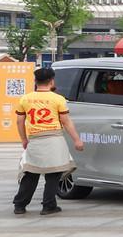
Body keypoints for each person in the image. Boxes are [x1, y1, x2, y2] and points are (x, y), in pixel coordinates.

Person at [12, 67, 84, 217]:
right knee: (53, 174)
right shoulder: (58, 99)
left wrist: (24, 139)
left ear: (35, 81)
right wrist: (77, 140)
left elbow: (19, 121)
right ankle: (48, 205)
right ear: (52, 81)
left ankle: (20, 205)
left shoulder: (25, 99)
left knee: (31, 173)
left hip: (35, 139)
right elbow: (66, 121)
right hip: (54, 139)